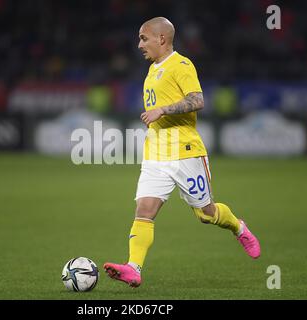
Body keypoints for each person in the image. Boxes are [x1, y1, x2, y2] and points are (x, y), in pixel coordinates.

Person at [104, 17, 260, 288]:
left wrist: (163, 109)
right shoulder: (152, 70)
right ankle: (133, 268)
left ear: (162, 39)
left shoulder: (181, 64)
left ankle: (239, 228)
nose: (139, 44)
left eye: (144, 38)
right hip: (155, 154)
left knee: (207, 214)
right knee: (144, 210)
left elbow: (197, 99)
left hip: (185, 152)